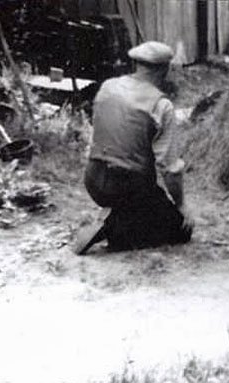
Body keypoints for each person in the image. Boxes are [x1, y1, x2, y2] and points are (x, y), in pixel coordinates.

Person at [73, 41, 193, 254]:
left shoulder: (108, 87)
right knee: (180, 231)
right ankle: (114, 228)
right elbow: (168, 166)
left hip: (93, 178)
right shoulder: (161, 105)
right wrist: (181, 204)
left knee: (142, 208)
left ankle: (117, 217)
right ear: (164, 69)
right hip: (128, 187)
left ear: (136, 64)